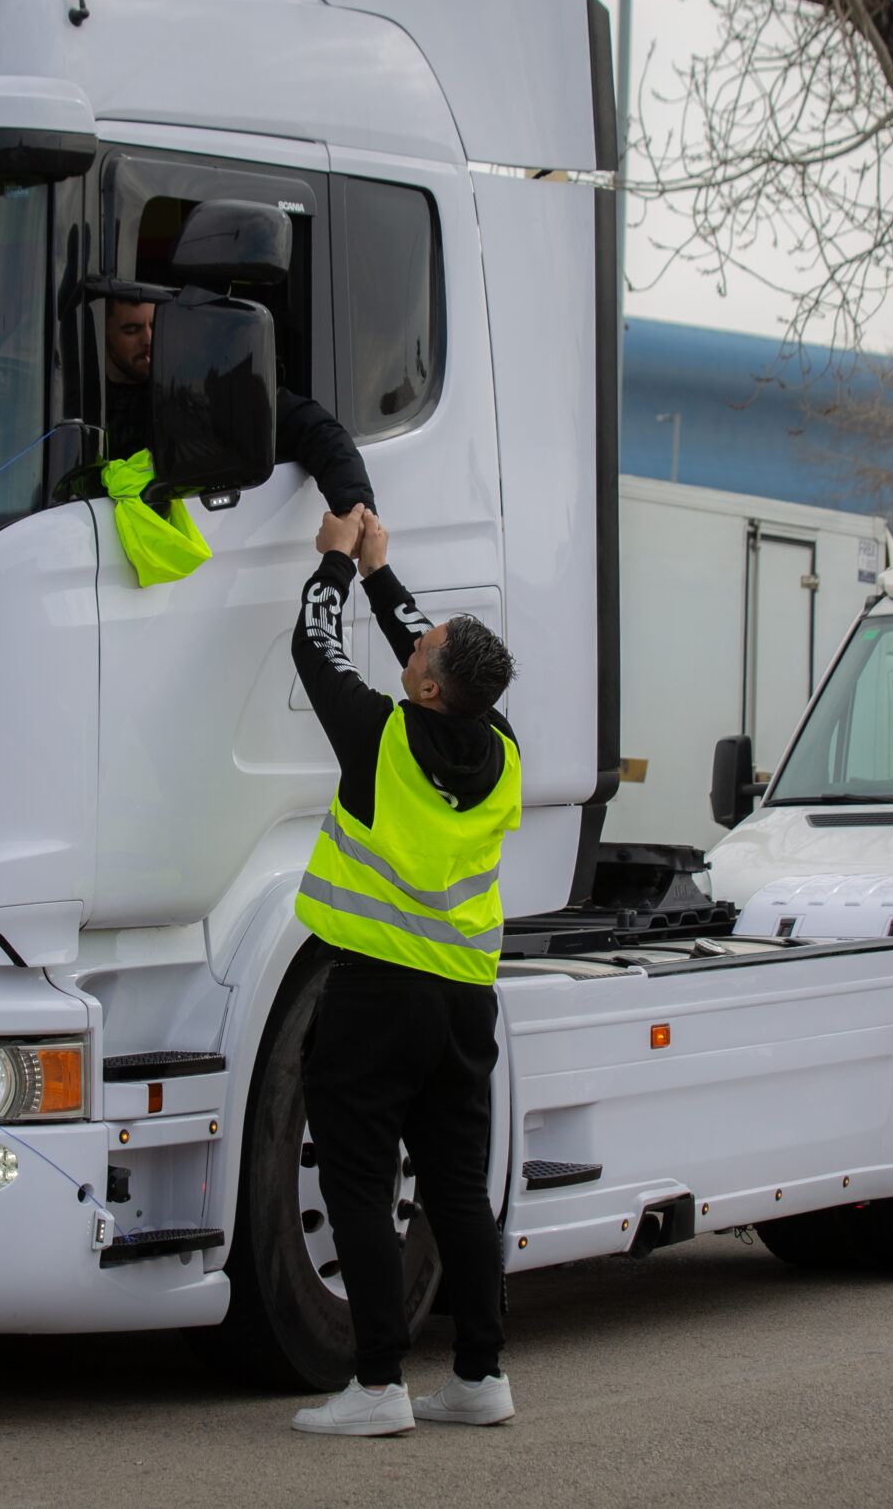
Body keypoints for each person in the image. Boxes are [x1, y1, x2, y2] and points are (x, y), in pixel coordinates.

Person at [286, 502, 521, 1437]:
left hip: (377, 993)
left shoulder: (380, 737)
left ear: (425, 688)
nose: (414, 641)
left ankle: (379, 1384)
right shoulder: (500, 748)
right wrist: (384, 575)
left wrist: (337, 564)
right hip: (464, 1001)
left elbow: (315, 646)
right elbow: (427, 657)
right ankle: (480, 1374)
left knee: (357, 1179)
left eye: (423, 648)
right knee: (457, 1187)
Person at [103, 294, 374, 516]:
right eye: (131, 330)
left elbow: (315, 429)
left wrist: (354, 511)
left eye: (155, 327)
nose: (148, 340)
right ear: (105, 334)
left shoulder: (197, 390)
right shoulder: (90, 404)